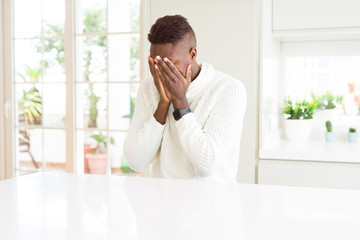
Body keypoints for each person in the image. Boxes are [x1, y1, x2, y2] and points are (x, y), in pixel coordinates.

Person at [123, 15, 247, 182]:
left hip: (212, 206)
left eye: (169, 63)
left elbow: (207, 164)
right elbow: (135, 162)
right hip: (161, 204)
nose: (161, 71)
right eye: (155, 63)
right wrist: (164, 103)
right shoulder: (148, 88)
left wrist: (180, 101)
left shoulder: (228, 89)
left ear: (193, 54)